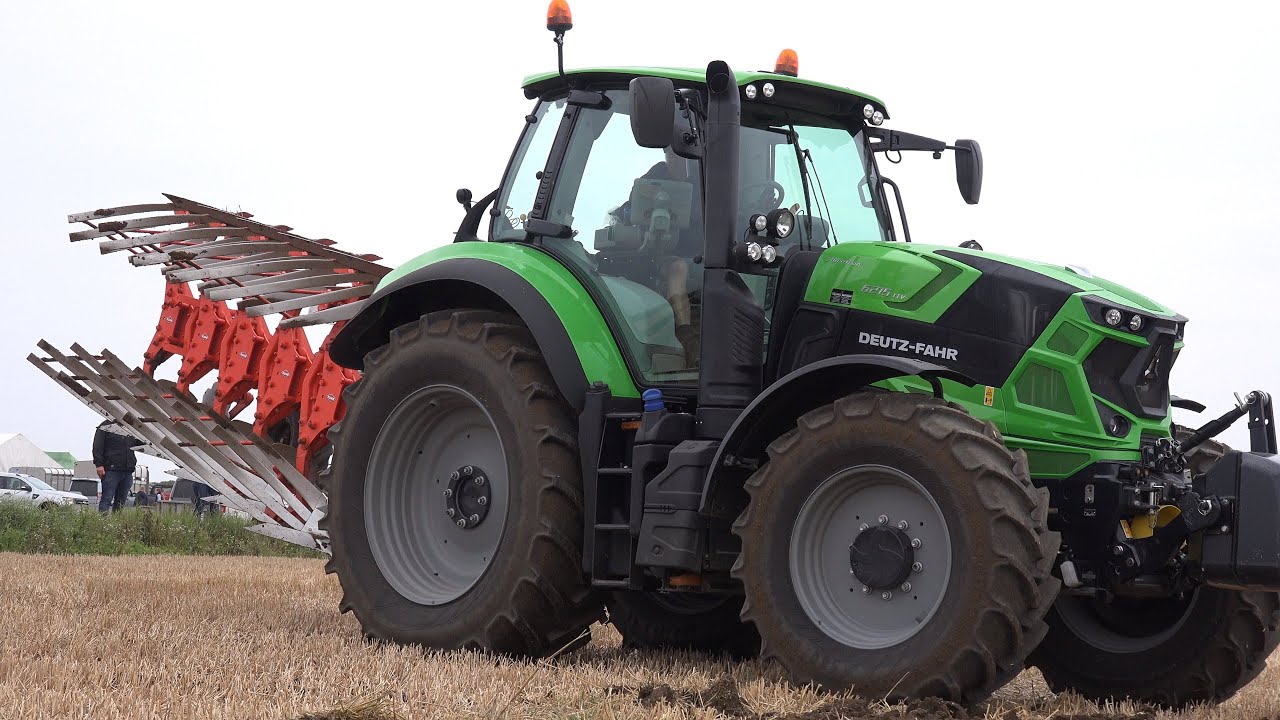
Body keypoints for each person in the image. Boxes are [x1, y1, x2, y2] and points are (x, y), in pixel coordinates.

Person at [611, 146, 703, 364]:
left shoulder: (701, 184)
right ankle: (687, 337)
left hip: (700, 255)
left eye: (679, 153)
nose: (674, 157)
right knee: (678, 268)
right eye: (671, 152)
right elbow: (631, 208)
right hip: (660, 253)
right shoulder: (657, 176)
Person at [91, 421, 144, 512]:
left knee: (121, 501)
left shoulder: (130, 425)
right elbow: (97, 446)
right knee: (106, 499)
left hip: (127, 470)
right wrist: (99, 465)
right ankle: (102, 523)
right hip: (111, 469)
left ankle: (117, 523)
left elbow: (140, 442)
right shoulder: (105, 426)